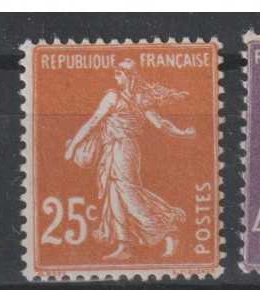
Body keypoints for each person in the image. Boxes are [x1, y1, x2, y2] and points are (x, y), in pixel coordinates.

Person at [63, 61, 193, 260]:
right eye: (115, 74)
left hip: (124, 149)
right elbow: (94, 121)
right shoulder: (123, 97)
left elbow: (159, 123)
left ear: (129, 76)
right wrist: (181, 133)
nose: (116, 78)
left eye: (119, 74)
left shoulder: (127, 98)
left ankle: (167, 230)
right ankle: (124, 246)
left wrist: (182, 133)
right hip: (113, 149)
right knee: (114, 195)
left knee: (130, 195)